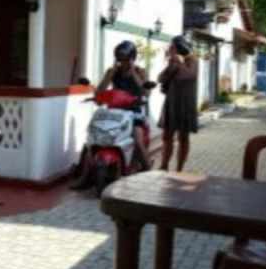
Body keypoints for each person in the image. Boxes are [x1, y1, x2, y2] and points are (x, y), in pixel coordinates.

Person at [71, 41, 151, 190]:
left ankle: (149, 173)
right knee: (92, 138)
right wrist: (111, 73)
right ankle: (84, 177)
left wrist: (133, 73)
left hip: (134, 111)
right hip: (114, 111)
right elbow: (100, 91)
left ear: (132, 58)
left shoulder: (140, 71)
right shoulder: (112, 71)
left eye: (126, 59)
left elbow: (146, 92)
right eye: (120, 59)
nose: (122, 62)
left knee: (138, 140)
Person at [158, 35, 198, 171]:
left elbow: (189, 76)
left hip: (185, 104)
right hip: (172, 102)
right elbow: (161, 78)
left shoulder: (192, 60)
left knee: (183, 138)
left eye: (172, 46)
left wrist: (179, 63)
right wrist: (172, 64)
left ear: (179, 47)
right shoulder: (173, 61)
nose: (170, 48)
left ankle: (179, 169)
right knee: (166, 136)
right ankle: (164, 166)